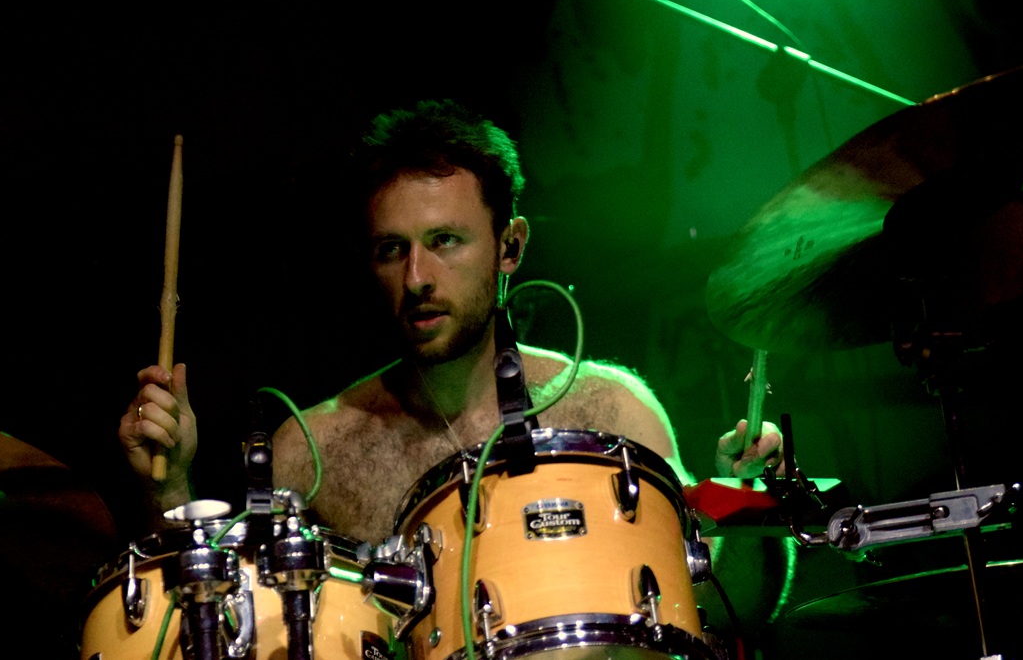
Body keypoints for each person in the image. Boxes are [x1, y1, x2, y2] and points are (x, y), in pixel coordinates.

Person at [119, 98, 785, 623]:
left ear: (510, 246)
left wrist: (753, 506)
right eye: (392, 250)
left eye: (445, 241)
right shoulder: (312, 450)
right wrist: (168, 490)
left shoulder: (609, 411)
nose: (417, 278)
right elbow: (230, 631)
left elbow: (728, 608)